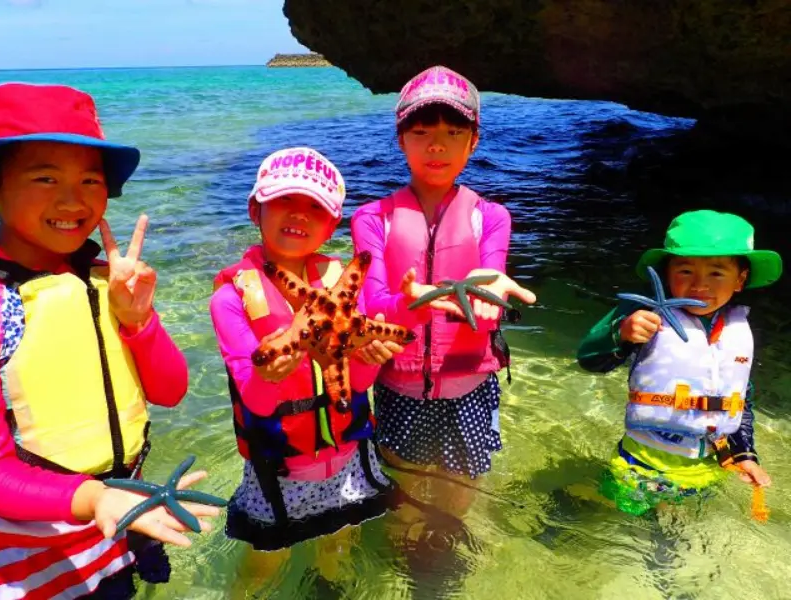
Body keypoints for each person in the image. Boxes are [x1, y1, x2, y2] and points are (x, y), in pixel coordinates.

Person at [0, 82, 218, 599]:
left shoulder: (107, 279)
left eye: (90, 180)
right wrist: (96, 498)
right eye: (45, 177)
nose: (73, 200)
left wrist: (138, 320)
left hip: (130, 511)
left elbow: (171, 391)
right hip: (35, 553)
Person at [351, 65, 535, 531]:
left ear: (474, 141)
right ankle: (407, 541)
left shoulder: (492, 217)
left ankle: (448, 540)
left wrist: (490, 281)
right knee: (402, 483)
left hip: (469, 387)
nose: (437, 145)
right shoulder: (372, 219)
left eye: (454, 131)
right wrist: (413, 303)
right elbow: (371, 305)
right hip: (398, 386)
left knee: (460, 485)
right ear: (401, 139)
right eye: (421, 131)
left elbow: (490, 270)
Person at [210, 147, 404, 566]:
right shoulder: (232, 299)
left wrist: (371, 355)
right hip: (280, 472)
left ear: (332, 223)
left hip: (350, 458)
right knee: (263, 567)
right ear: (254, 210)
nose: (298, 215)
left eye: (313, 207)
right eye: (284, 201)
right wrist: (271, 373)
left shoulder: (345, 288)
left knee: (338, 551)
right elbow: (257, 401)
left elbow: (359, 383)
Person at [577, 209, 782, 516]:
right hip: (642, 463)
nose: (700, 285)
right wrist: (621, 334)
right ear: (665, 274)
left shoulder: (736, 333)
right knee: (609, 519)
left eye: (716, 273)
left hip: (705, 470)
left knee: (670, 549)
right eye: (685, 271)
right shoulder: (645, 317)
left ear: (740, 280)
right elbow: (589, 359)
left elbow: (740, 402)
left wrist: (744, 455)